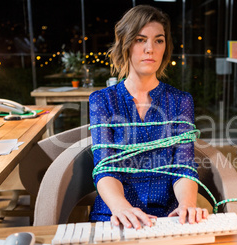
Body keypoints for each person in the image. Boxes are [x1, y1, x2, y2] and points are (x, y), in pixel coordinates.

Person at [89, 5, 208, 230]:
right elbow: (105, 166)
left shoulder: (181, 101)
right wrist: (121, 207)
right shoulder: (103, 100)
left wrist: (187, 204)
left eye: (158, 40)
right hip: (116, 214)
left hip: (167, 215)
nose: (150, 49)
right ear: (125, 43)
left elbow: (183, 166)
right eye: (140, 39)